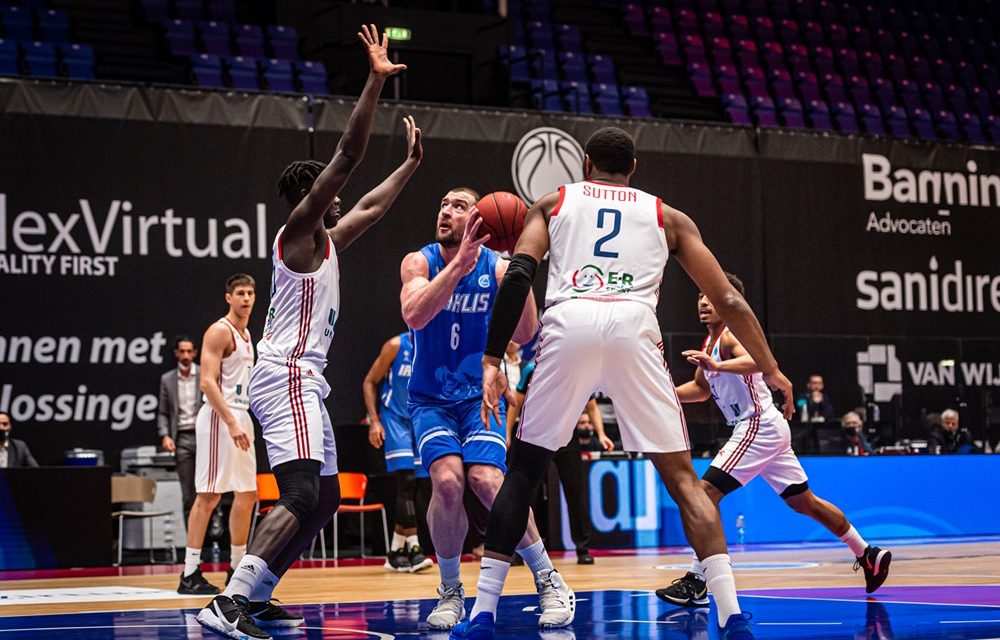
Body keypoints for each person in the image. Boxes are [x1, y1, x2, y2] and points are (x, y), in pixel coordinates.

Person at [452, 127, 795, 640]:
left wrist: (493, 358)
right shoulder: (667, 215)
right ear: (633, 167)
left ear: (585, 162)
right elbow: (730, 301)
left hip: (570, 319)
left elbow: (520, 273)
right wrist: (770, 368)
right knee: (683, 479)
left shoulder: (555, 200)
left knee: (522, 472)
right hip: (635, 325)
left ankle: (480, 615)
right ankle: (731, 615)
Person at [196, 25, 417, 640]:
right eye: (329, 193)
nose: (342, 201)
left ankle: (258, 595)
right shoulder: (297, 236)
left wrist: (409, 166)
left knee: (322, 500)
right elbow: (347, 159)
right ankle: (228, 602)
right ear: (311, 196)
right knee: (297, 493)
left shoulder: (328, 245)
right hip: (285, 375)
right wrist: (374, 80)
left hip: (306, 383)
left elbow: (370, 206)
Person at [655, 273, 891, 613]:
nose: (704, 302)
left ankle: (697, 578)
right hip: (767, 427)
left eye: (711, 296)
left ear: (727, 301)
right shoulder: (709, 344)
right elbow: (702, 389)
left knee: (703, 494)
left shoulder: (732, 337)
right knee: (804, 503)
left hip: (757, 425)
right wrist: (666, 395)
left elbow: (761, 362)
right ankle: (866, 553)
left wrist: (718, 364)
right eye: (700, 297)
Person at [400, 187, 572, 631]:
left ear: (480, 220)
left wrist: (520, 262)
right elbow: (415, 315)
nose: (446, 211)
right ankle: (451, 590)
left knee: (488, 481)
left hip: (482, 396)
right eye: (443, 203)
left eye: (459, 206)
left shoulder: (497, 269)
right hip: (431, 398)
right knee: (448, 482)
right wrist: (458, 266)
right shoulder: (419, 261)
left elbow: (528, 331)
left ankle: (549, 579)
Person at [178, 274, 259, 595]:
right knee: (210, 495)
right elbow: (207, 383)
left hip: (241, 413)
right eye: (240, 293)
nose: (246, 298)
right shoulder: (219, 330)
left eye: (251, 293)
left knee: (248, 493)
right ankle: (190, 572)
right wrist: (231, 421)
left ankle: (237, 567)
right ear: (229, 297)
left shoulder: (248, 334)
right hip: (218, 417)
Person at [507, 364, 612, 564]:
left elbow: (591, 406)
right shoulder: (532, 368)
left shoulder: (576, 368)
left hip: (566, 433)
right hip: (535, 434)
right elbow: (516, 402)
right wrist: (507, 434)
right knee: (528, 494)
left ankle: (583, 549)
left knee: (576, 491)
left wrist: (601, 434)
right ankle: (520, 550)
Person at [362, 331, 433, 573]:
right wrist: (374, 421)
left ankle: (394, 551)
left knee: (417, 488)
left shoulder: (435, 344)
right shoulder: (395, 345)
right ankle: (414, 548)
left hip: (420, 419)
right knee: (406, 480)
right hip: (395, 419)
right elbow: (369, 381)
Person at [158, 335, 202, 521]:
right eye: (182, 351)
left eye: (189, 351)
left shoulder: (204, 374)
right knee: (186, 490)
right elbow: (162, 411)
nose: (185, 355)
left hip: (204, 435)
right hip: (182, 438)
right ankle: (189, 538)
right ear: (176, 353)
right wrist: (165, 435)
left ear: (195, 353)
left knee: (208, 487)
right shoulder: (167, 380)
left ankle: (211, 534)